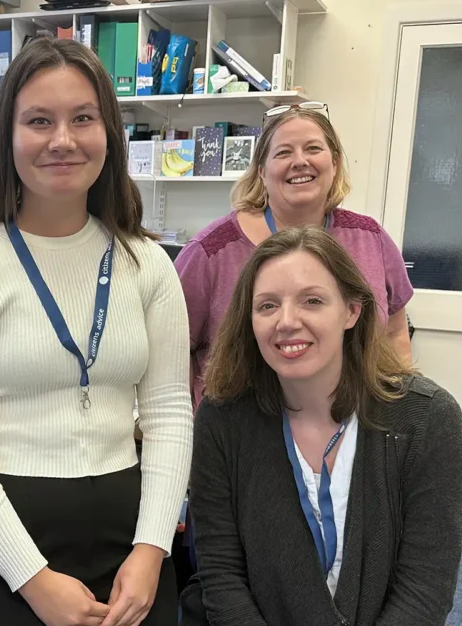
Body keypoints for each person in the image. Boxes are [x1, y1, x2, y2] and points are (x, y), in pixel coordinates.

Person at [0, 37, 192, 626]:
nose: (62, 139)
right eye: (39, 120)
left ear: (109, 134)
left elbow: (171, 413)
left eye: (82, 118)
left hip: (130, 540)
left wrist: (151, 552)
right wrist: (32, 578)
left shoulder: (148, 265)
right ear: (7, 138)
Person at [177, 227, 462, 626]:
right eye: (267, 305)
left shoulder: (426, 420)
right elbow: (221, 576)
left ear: (352, 310)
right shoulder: (223, 419)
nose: (287, 321)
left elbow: (424, 590)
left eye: (312, 300)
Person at [174, 104, 413, 408]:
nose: (300, 161)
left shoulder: (371, 240)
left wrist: (398, 413)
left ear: (335, 162)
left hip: (355, 428)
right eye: (284, 152)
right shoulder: (210, 252)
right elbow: (171, 352)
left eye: (313, 148)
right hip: (239, 438)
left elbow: (394, 333)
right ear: (261, 171)